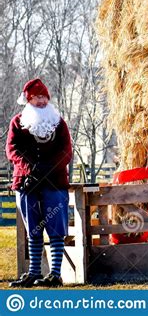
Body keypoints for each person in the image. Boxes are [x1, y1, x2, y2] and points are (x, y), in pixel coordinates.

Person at [5, 78, 72, 288]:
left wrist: (50, 168)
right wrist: (30, 167)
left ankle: (55, 274)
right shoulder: (18, 122)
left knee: (56, 227)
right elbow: (12, 149)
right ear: (28, 100)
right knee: (33, 228)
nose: (41, 101)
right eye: (36, 98)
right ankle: (34, 273)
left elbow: (67, 150)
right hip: (27, 181)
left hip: (54, 181)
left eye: (44, 97)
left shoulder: (58, 122)